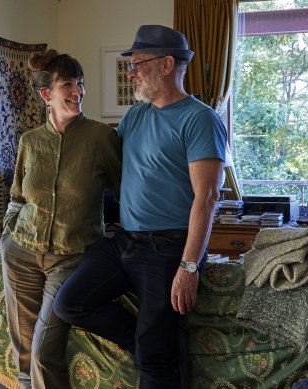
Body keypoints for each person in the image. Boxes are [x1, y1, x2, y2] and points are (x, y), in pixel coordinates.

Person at [53, 25, 227, 388]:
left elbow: (207, 199)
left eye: (137, 64)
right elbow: (105, 167)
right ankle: (158, 345)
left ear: (166, 65)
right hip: (124, 242)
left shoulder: (200, 119)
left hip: (167, 248)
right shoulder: (134, 117)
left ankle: (157, 352)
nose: (130, 72)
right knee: (69, 303)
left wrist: (189, 266)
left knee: (153, 366)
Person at [0, 49, 121, 389]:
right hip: (21, 253)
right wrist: (7, 236)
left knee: (42, 351)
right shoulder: (29, 141)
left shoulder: (101, 138)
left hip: (71, 258)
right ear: (46, 95)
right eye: (68, 84)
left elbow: (128, 192)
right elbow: (18, 197)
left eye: (80, 83)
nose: (77, 91)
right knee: (23, 354)